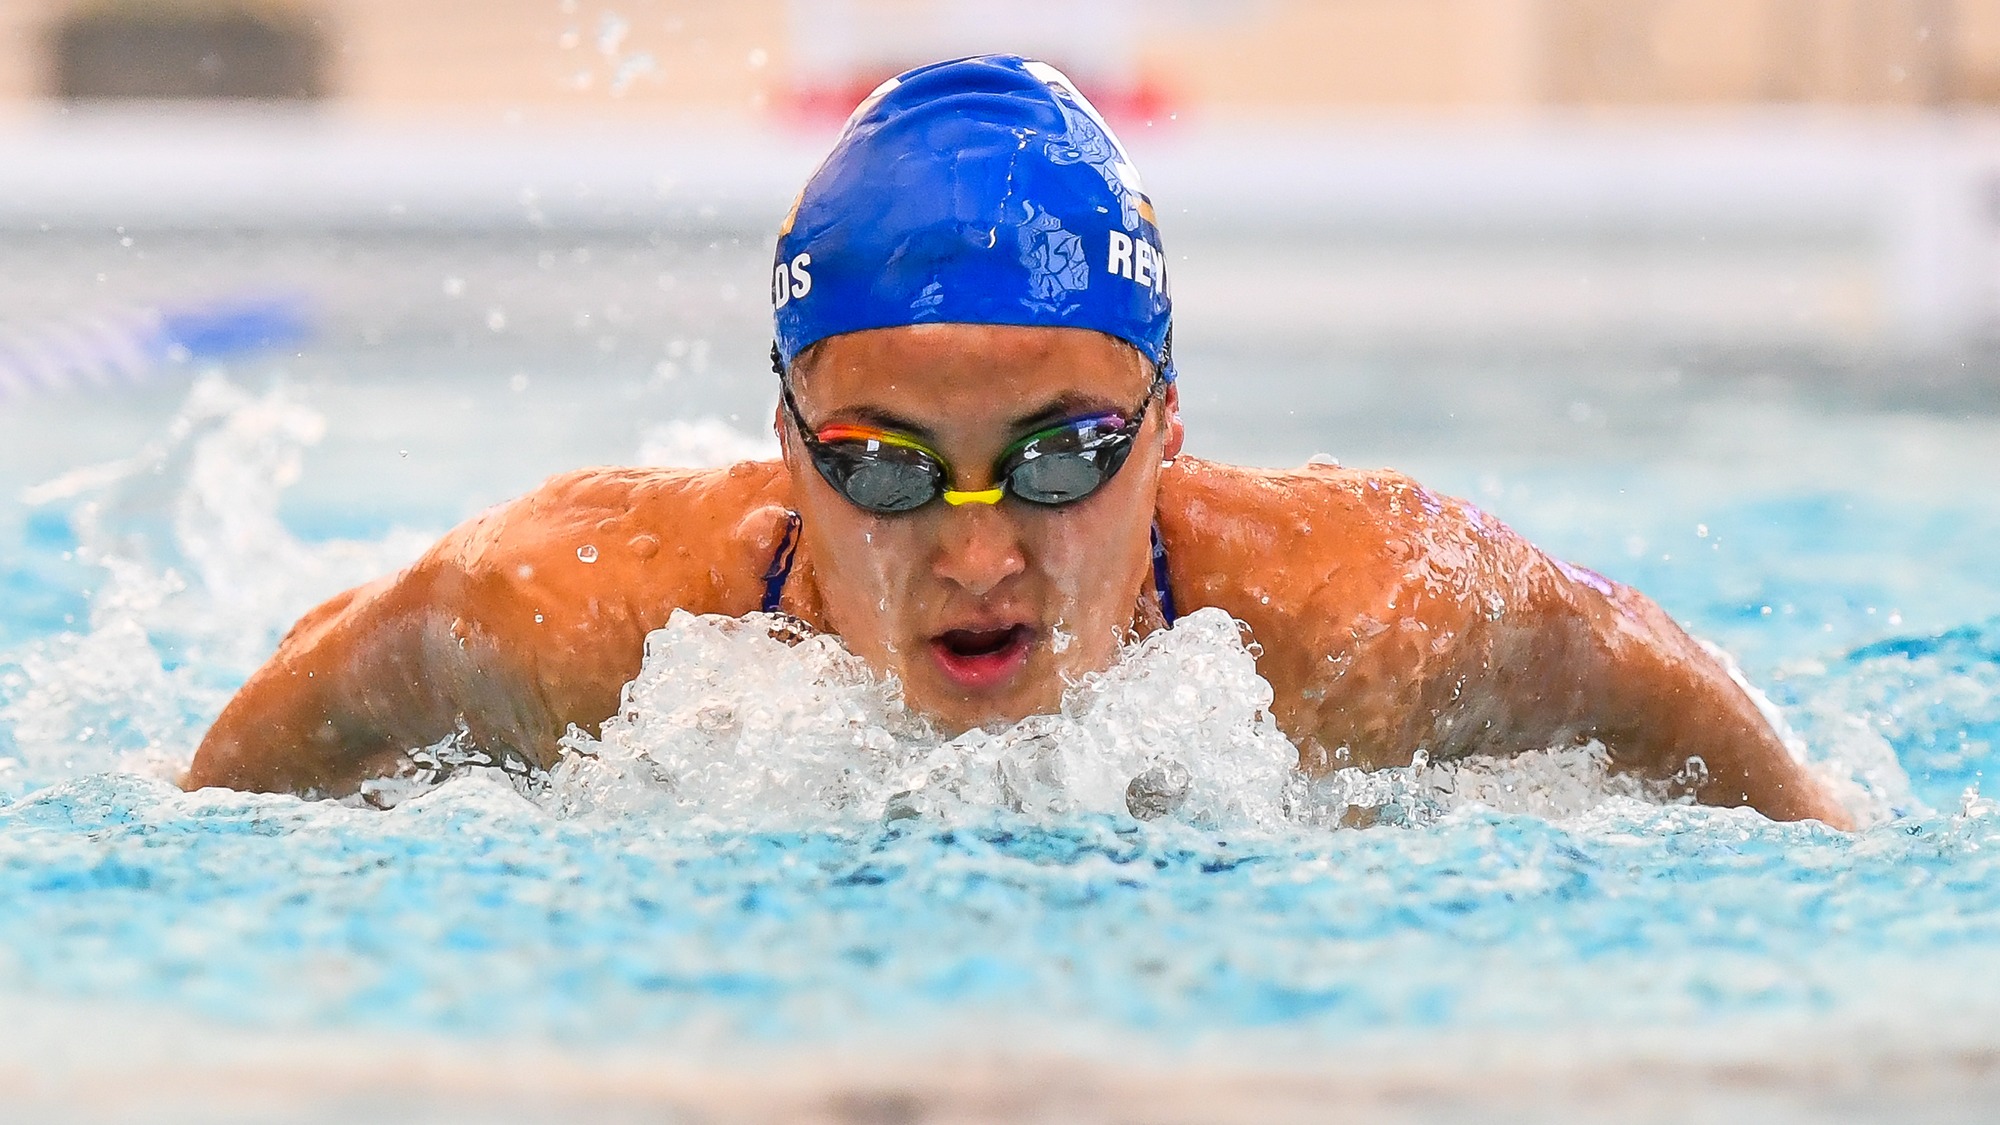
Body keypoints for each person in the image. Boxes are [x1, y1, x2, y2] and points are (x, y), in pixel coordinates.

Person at [181, 55, 1854, 829]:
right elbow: (239, 779)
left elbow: (1660, 682)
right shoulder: (571, 616)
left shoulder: (1364, 616)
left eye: (1060, 458)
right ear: (785, 450)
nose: (979, 553)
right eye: (885, 466)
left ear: (1170, 429)